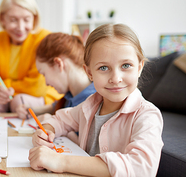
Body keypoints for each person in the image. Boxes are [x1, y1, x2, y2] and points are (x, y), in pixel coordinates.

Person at [29, 24, 164, 177]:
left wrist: (62, 161)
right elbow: (60, 120)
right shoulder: (89, 106)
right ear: (89, 73)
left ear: (139, 68)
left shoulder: (147, 116)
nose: (116, 79)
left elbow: (141, 168)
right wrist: (46, 130)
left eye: (126, 65)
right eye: (104, 68)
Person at [0, 0, 62, 113]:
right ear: (2, 19)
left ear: (34, 19)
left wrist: (6, 86)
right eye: (13, 20)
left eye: (26, 20)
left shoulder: (44, 39)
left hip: (40, 97)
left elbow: (37, 86)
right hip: (9, 97)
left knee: (19, 100)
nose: (20, 28)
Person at [15, 33, 96, 121]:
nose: (46, 83)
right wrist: (31, 110)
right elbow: (55, 107)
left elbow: (84, 133)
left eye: (44, 74)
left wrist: (55, 123)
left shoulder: (94, 102)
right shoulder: (71, 96)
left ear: (58, 64)